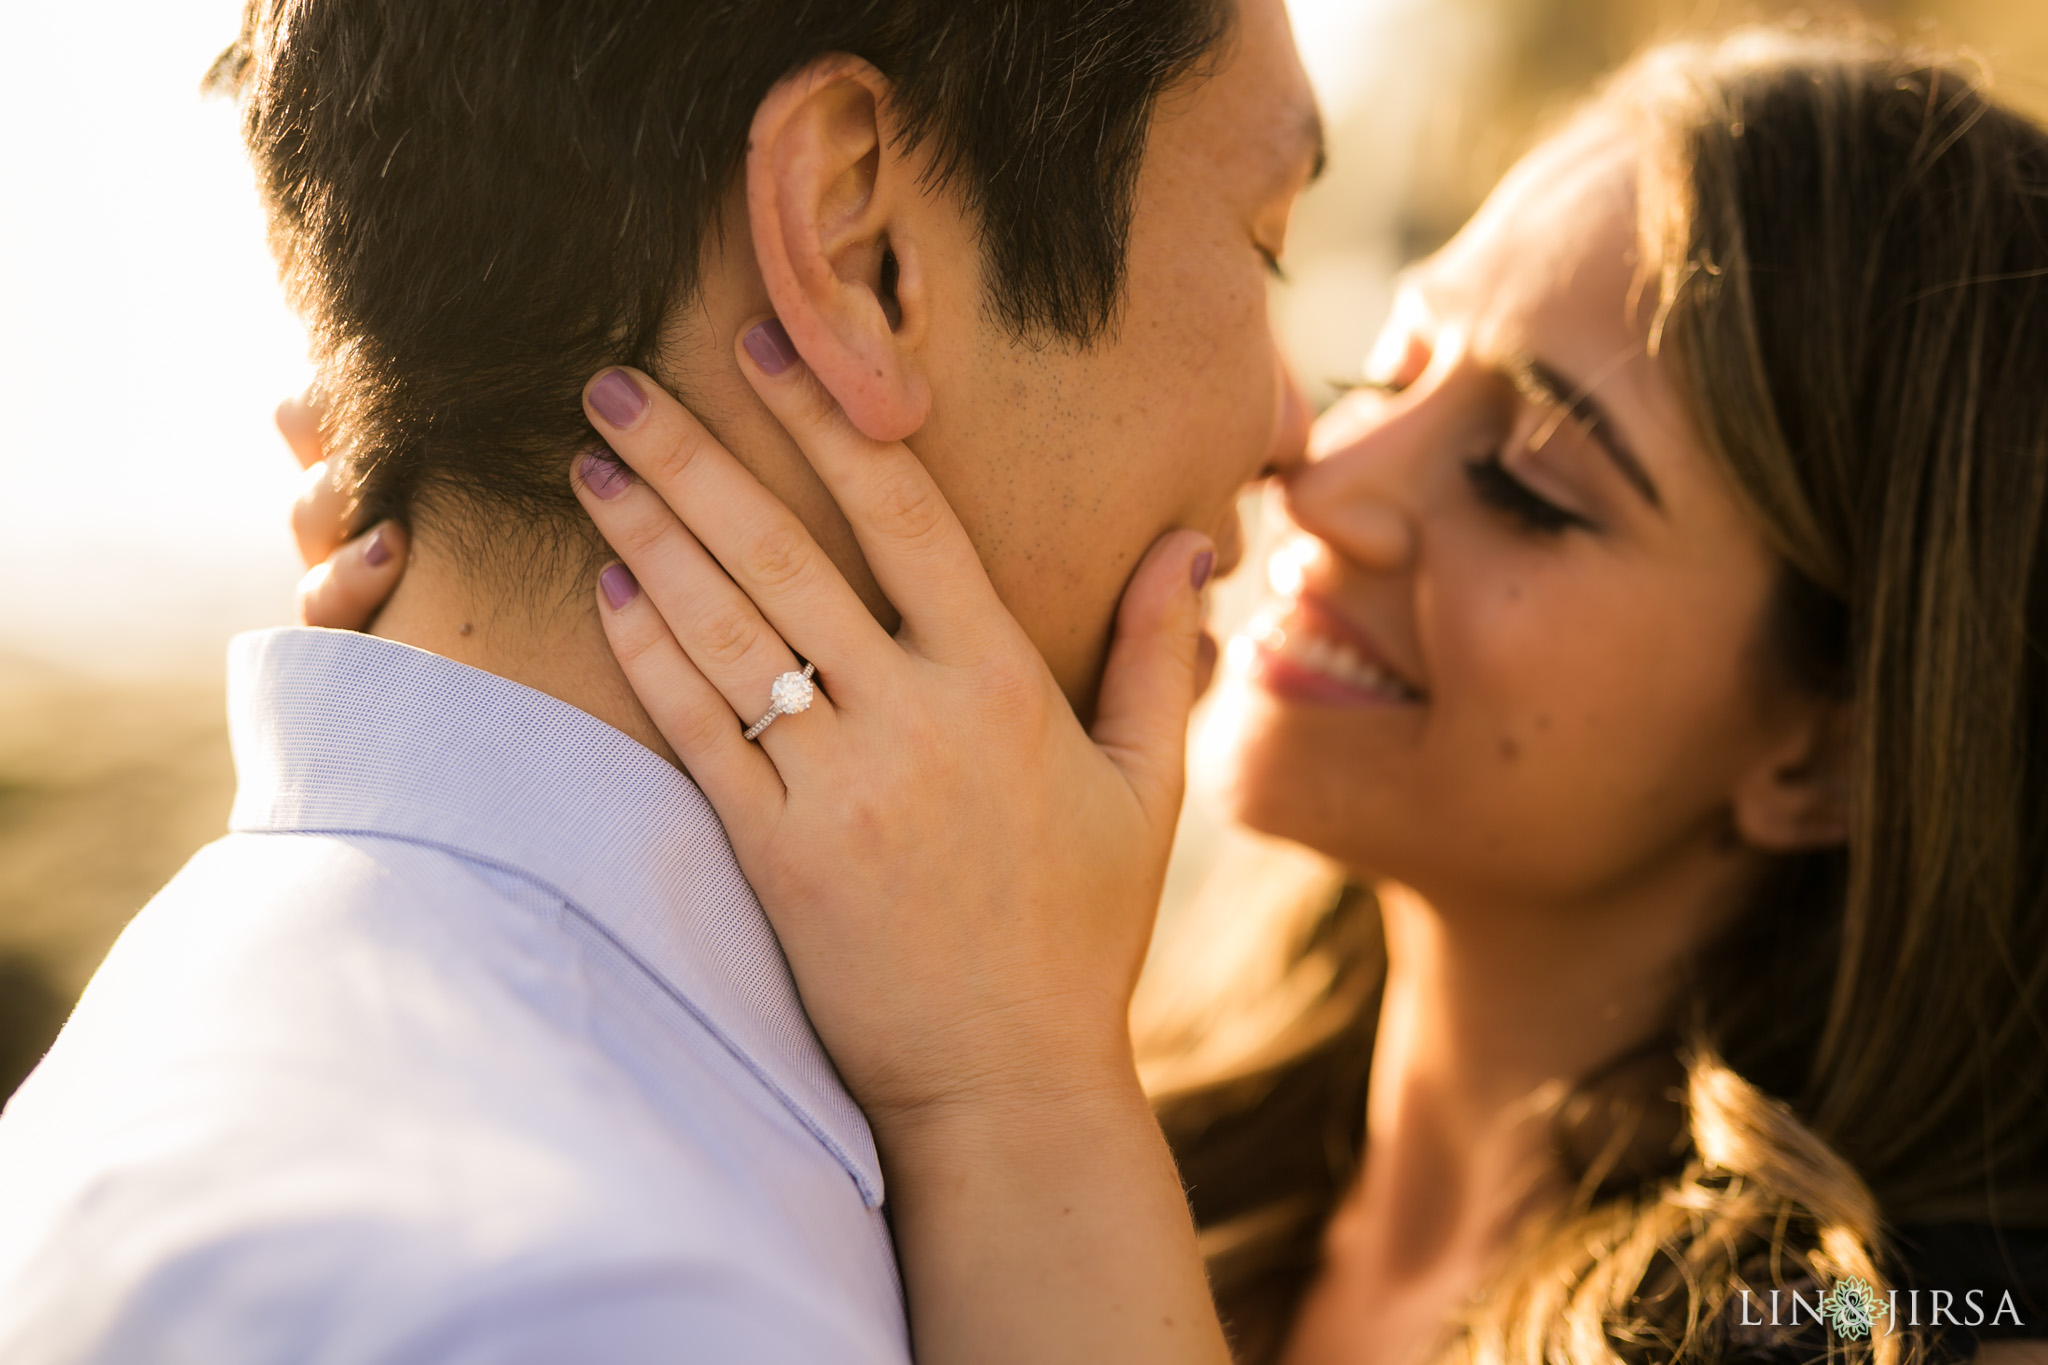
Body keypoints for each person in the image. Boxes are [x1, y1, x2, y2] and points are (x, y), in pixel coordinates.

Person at [302, 25, 2048, 1365]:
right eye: (1390, 363)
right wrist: (483, 651)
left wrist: (1019, 1092)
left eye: (1528, 480)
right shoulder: (1165, 1122)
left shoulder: (1916, 1311)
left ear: (1826, 743)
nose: (1328, 470)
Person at [0, 1, 1318, 1361]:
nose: (1301, 431)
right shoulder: (586, 1302)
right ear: (857, 244)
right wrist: (1027, 1094)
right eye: (1267, 239)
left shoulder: (228, 1029)